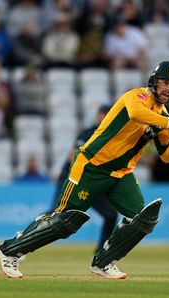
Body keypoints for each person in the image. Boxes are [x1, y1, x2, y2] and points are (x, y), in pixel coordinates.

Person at [0, 61, 169, 279]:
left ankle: (104, 262)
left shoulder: (165, 118)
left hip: (121, 174)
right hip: (91, 166)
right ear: (154, 82)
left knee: (143, 219)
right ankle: (9, 250)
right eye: (164, 82)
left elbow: (167, 157)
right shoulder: (137, 97)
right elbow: (135, 114)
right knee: (64, 221)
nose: (168, 88)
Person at [50, 104, 118, 252]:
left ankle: (102, 250)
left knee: (111, 214)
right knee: (55, 211)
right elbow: (73, 156)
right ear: (98, 115)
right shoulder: (88, 133)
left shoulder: (112, 136)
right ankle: (24, 239)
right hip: (71, 179)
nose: (105, 117)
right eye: (103, 114)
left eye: (109, 114)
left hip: (91, 183)